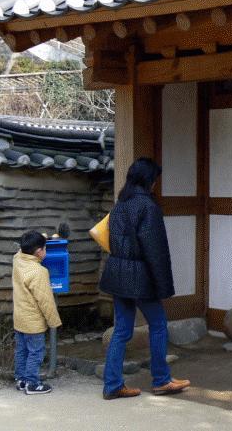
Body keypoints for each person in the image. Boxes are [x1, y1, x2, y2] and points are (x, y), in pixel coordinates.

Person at [99, 158, 190, 400]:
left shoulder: (120, 205)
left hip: (117, 273)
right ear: (149, 180)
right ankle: (161, 380)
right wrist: (163, 286)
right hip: (139, 276)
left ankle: (112, 384)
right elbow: (155, 250)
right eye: (155, 179)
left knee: (121, 330)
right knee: (158, 324)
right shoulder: (148, 207)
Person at [13, 230, 62, 395]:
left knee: (21, 351)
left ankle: (21, 380)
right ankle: (32, 384)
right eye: (45, 248)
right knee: (36, 352)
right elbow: (46, 301)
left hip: (19, 318)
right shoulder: (39, 272)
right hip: (33, 322)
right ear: (40, 251)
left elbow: (21, 250)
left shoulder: (18, 259)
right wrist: (54, 322)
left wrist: (41, 238)